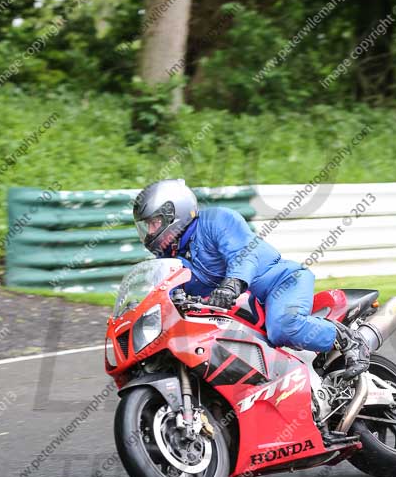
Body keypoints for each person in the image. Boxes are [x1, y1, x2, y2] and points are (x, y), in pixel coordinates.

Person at [133, 179, 370, 443]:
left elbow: (244, 255)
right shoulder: (170, 261)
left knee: (284, 326)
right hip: (238, 311)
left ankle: (346, 338)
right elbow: (164, 293)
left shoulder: (216, 220)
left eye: (154, 222)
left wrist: (232, 284)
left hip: (279, 284)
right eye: (146, 225)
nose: (150, 231)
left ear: (173, 213)